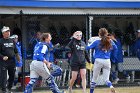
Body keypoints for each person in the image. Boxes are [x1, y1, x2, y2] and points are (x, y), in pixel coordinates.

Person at [86, 28, 118, 93]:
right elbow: (115, 48)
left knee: (94, 79)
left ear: (99, 34)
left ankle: (91, 92)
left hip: (98, 60)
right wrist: (110, 52)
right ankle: (111, 86)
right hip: (107, 60)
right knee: (106, 79)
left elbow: (88, 48)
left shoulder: (96, 41)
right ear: (106, 33)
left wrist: (88, 43)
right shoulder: (110, 41)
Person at [0, 26, 20, 93]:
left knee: (12, 76)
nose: (8, 32)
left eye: (9, 31)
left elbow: (16, 50)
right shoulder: (0, 41)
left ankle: (8, 88)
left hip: (12, 61)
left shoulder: (12, 41)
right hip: (3, 62)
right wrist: (2, 57)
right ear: (3, 33)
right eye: (6, 31)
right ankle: (3, 90)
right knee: (4, 76)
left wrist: (18, 57)